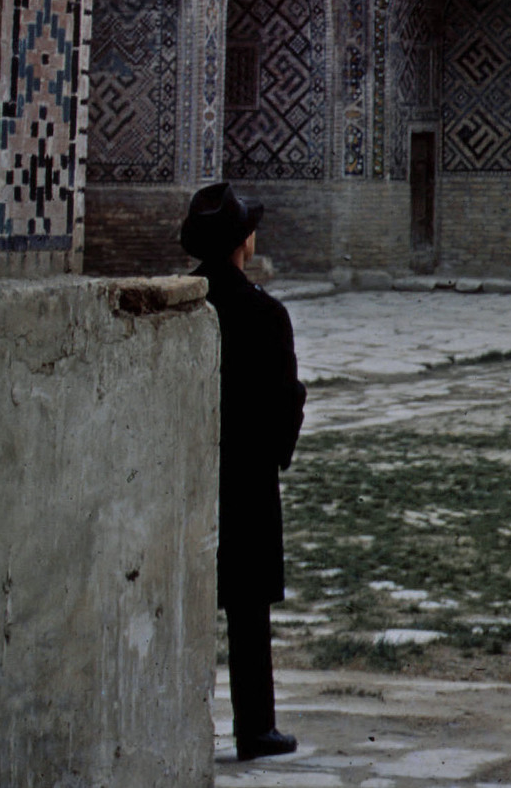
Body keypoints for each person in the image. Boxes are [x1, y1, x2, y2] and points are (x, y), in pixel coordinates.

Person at [181, 182, 307, 762]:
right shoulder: (264, 314)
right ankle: (254, 729)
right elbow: (284, 404)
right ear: (242, 242)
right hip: (248, 479)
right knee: (248, 610)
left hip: (188, 479)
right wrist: (278, 443)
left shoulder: (184, 311)